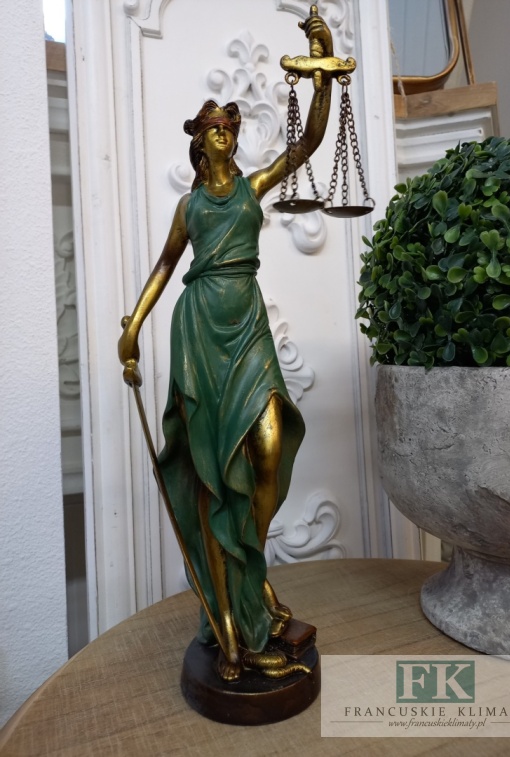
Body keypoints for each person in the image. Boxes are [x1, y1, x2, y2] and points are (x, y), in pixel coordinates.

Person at [118, 9, 333, 682]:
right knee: (212, 474)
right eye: (214, 128)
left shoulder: (252, 186)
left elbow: (308, 144)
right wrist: (132, 327)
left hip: (247, 322)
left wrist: (323, 72)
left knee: (269, 443)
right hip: (200, 328)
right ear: (199, 142)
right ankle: (237, 610)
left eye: (229, 127)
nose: (224, 133)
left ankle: (249, 566)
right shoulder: (189, 208)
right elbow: (164, 267)